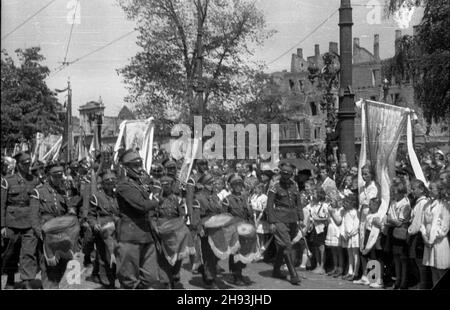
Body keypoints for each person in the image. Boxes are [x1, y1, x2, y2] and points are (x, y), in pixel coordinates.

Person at [114, 149, 160, 289]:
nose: (140, 168)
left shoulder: (140, 184)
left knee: (151, 278)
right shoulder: (123, 186)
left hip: (146, 235)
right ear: (125, 167)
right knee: (129, 280)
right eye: (135, 165)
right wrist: (157, 200)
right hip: (130, 237)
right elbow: (142, 205)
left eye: (140, 164)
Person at [29, 162, 78, 289]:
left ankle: (53, 285)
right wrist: (41, 234)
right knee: (48, 265)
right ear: (48, 176)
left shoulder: (63, 191)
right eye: (55, 176)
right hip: (47, 234)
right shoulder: (38, 192)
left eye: (60, 175)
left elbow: (69, 211)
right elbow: (34, 217)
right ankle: (50, 286)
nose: (58, 178)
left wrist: (71, 210)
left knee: (62, 263)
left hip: (62, 234)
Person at [1, 152, 40, 289]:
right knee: (11, 252)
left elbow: (37, 202)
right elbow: (2, 204)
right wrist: (2, 226)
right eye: (24, 164)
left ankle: (26, 281)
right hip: (11, 221)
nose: (27, 166)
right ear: (18, 165)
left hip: (29, 220)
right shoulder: (8, 180)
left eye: (29, 163)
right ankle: (10, 279)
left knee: (28, 252)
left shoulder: (34, 180)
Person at [266, 162, 303, 285]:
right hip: (279, 219)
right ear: (281, 173)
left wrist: (301, 217)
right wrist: (271, 222)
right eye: (284, 173)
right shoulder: (275, 186)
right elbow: (269, 205)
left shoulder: (295, 185)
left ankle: (276, 270)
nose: (286, 175)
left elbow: (298, 203)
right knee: (287, 245)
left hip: (292, 219)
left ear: (292, 174)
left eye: (289, 174)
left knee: (283, 246)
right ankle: (293, 275)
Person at [85, 170, 120, 288]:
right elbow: (91, 215)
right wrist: (94, 224)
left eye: (112, 181)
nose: (110, 184)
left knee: (116, 256)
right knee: (103, 258)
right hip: (103, 231)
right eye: (107, 182)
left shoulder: (118, 196)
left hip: (117, 231)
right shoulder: (97, 197)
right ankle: (107, 283)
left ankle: (113, 278)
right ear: (103, 184)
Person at [195, 173, 225, 289]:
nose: (212, 185)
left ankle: (204, 269)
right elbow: (196, 215)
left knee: (218, 253)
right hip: (206, 226)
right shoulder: (199, 197)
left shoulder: (215, 196)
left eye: (212, 183)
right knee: (209, 254)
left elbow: (220, 210)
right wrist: (199, 227)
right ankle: (210, 279)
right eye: (210, 183)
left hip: (216, 226)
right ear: (204, 185)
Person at [222, 174, 253, 286]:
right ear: (231, 186)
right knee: (235, 253)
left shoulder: (245, 198)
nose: (238, 186)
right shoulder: (227, 200)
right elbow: (224, 217)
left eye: (240, 184)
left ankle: (239, 274)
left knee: (243, 253)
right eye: (235, 184)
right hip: (234, 229)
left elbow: (250, 214)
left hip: (245, 228)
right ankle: (236, 276)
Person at [421, 181, 450, 287]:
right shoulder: (427, 204)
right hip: (428, 242)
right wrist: (425, 237)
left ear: (439, 190)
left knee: (441, 270)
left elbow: (444, 227)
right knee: (433, 269)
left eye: (432, 188)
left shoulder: (444, 205)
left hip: (439, 242)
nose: (429, 190)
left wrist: (432, 240)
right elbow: (423, 223)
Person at [385, 182, 411, 289]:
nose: (393, 194)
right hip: (393, 232)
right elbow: (389, 217)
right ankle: (398, 279)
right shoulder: (393, 202)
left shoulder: (405, 204)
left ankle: (403, 280)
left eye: (395, 192)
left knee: (402, 258)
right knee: (395, 257)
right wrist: (391, 220)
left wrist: (391, 220)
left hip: (401, 233)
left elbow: (399, 222)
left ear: (401, 193)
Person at [407, 179, 431, 289]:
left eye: (414, 189)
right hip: (415, 235)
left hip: (418, 235)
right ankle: (421, 282)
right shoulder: (417, 202)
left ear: (421, 189)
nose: (412, 191)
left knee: (419, 261)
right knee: (416, 261)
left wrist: (410, 231)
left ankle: (423, 284)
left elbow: (417, 222)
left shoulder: (422, 203)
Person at [309, 187, 329, 275]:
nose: (313, 195)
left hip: (322, 228)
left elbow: (327, 218)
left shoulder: (324, 205)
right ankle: (317, 265)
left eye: (314, 193)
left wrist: (318, 219)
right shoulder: (313, 205)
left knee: (321, 247)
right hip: (315, 228)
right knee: (316, 247)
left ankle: (322, 266)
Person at [340, 194, 360, 281]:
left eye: (347, 202)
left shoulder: (355, 212)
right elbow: (343, 224)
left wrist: (351, 233)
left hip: (354, 236)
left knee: (355, 255)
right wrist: (344, 234)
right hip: (348, 237)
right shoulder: (346, 213)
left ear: (352, 203)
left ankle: (356, 273)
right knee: (350, 255)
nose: (345, 204)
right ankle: (350, 271)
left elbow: (356, 225)